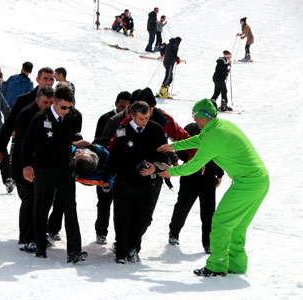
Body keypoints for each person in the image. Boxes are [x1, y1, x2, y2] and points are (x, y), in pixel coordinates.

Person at [158, 98, 269, 277]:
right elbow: (199, 139)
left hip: (246, 183)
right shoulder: (221, 126)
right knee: (237, 226)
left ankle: (217, 265)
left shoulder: (214, 136)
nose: (194, 120)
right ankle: (237, 264)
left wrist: (171, 172)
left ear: (202, 117)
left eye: (195, 117)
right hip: (260, 181)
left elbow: (193, 166)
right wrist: (174, 146)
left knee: (221, 222)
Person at [21, 86, 87, 263]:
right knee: (42, 207)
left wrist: (78, 145)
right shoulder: (40, 118)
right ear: (55, 103)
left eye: (69, 107)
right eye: (64, 107)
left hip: (64, 170)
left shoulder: (70, 118)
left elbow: (67, 142)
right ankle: (40, 246)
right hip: (44, 169)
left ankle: (74, 251)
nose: (67, 111)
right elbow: (26, 144)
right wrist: (27, 165)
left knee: (70, 208)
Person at [101, 101, 168, 264]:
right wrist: (106, 177)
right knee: (122, 218)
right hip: (124, 182)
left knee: (143, 218)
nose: (144, 122)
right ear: (132, 116)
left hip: (146, 183)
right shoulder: (123, 132)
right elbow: (114, 156)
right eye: (140, 119)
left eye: (146, 118)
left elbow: (163, 155)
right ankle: (122, 251)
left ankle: (134, 247)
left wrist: (155, 167)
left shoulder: (156, 130)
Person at [0, 86, 55, 252]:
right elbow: (25, 143)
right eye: (45, 102)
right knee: (29, 199)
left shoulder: (51, 115)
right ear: (37, 100)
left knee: (41, 201)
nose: (48, 105)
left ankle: (38, 235)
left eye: (51, 102)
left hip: (41, 167)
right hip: (23, 165)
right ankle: (25, 238)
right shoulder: (26, 114)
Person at [168, 122, 224, 254]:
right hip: (190, 176)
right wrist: (189, 157)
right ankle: (174, 233)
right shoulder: (190, 129)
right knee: (183, 206)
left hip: (209, 177)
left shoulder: (215, 133)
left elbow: (219, 155)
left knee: (208, 211)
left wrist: (219, 173)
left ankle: (208, 242)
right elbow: (180, 148)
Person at [92, 91, 130, 244]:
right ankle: (101, 231)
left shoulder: (132, 121)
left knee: (122, 205)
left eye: (127, 107)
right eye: (122, 106)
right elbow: (99, 142)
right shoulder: (106, 119)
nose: (124, 109)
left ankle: (120, 237)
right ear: (116, 103)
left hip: (123, 170)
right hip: (107, 166)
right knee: (104, 202)